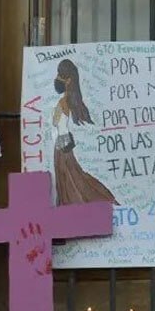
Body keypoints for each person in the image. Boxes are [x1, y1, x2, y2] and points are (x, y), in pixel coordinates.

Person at [52, 60, 118, 205]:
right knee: (72, 177)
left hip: (62, 144)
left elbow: (56, 122)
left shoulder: (64, 102)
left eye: (61, 75)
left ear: (68, 80)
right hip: (64, 142)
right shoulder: (70, 100)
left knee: (69, 179)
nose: (58, 79)